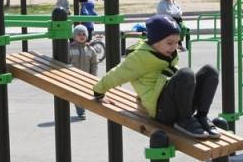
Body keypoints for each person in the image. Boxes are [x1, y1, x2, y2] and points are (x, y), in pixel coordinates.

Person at [93, 15, 221, 138]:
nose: (174, 47)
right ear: (154, 41)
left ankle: (201, 116)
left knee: (210, 71)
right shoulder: (139, 58)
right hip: (162, 111)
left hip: (178, 105)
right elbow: (117, 74)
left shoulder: (165, 52)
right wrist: (99, 92)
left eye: (177, 42)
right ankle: (184, 121)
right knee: (186, 74)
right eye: (169, 43)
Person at [69, 25, 99, 120]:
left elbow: (94, 64)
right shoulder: (70, 48)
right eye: (79, 34)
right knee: (76, 94)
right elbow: (66, 62)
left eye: (84, 34)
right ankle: (80, 111)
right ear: (74, 36)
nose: (82, 36)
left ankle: (81, 110)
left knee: (84, 94)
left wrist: (93, 76)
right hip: (73, 78)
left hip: (86, 77)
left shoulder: (90, 50)